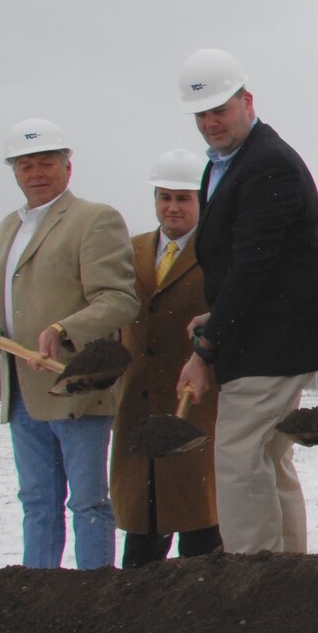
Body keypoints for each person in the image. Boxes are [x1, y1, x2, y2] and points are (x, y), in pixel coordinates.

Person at [174, 49, 318, 554]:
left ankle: (253, 575)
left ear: (247, 101)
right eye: (201, 114)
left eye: (219, 109)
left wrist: (206, 349)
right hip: (268, 332)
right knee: (269, 454)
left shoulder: (267, 166)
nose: (210, 122)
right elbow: (245, 267)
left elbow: (255, 265)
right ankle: (286, 576)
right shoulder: (228, 164)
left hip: (272, 341)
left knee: (240, 456)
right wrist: (216, 314)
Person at [0, 118, 139, 569]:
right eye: (25, 165)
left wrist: (65, 330)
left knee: (87, 503)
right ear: (14, 172)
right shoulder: (8, 227)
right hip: (23, 389)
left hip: (76, 387)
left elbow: (119, 299)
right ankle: (37, 597)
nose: (36, 173)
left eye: (47, 163)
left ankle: (95, 598)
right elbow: (23, 302)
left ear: (68, 167)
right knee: (38, 503)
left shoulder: (93, 219)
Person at [110, 148, 222, 565]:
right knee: (143, 520)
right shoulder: (131, 251)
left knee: (200, 519)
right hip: (138, 403)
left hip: (196, 402)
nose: (172, 207)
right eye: (164, 197)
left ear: (201, 200)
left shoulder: (217, 253)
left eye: (183, 198)